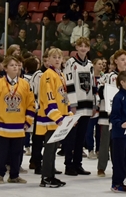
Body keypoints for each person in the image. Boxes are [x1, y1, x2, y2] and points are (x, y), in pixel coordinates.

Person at [0, 56, 35, 184]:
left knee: (17, 152)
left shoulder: (25, 84)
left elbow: (31, 104)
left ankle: (14, 175)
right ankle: (0, 175)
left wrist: (28, 121)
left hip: (19, 126)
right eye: (12, 65)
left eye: (17, 65)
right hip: (3, 125)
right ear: (5, 68)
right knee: (2, 153)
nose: (15, 67)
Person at [97, 50, 126, 178]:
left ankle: (124, 167)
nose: (125, 62)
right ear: (116, 61)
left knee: (125, 143)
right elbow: (100, 92)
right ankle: (101, 167)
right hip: (109, 114)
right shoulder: (109, 76)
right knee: (106, 141)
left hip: (125, 117)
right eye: (122, 59)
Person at [36, 48, 72, 188]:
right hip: (50, 119)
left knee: (54, 149)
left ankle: (51, 175)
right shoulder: (48, 75)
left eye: (59, 57)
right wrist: (57, 117)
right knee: (50, 149)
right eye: (54, 57)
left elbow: (64, 97)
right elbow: (48, 98)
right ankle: (45, 178)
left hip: (59, 118)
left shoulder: (60, 75)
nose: (57, 59)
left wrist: (69, 115)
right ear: (48, 60)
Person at [62, 37, 95, 176]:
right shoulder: (70, 63)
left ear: (88, 48)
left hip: (87, 104)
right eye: (80, 46)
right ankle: (68, 165)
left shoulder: (90, 64)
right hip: (75, 105)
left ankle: (78, 164)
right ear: (76, 47)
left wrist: (94, 103)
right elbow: (68, 84)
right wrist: (72, 104)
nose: (83, 48)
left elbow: (93, 85)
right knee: (71, 136)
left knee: (81, 137)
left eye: (85, 46)